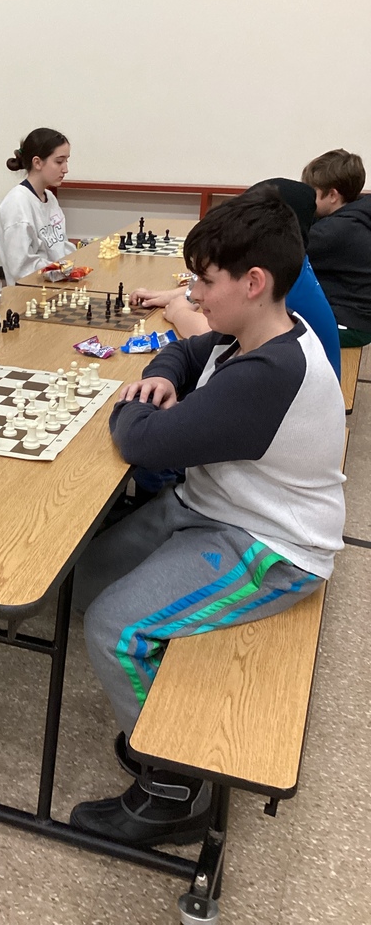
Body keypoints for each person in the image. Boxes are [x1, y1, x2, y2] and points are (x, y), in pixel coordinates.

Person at [70, 186, 345, 848]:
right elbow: (190, 354)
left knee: (113, 626)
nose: (192, 294)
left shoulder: (270, 372)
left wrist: (130, 404)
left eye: (204, 281)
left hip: (272, 546)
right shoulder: (260, 330)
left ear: (254, 282)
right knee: (79, 583)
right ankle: (166, 716)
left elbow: (138, 441)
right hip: (210, 508)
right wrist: (162, 376)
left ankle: (174, 791)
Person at [130, 179, 342, 379]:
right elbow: (232, 286)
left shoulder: (282, 293)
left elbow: (210, 333)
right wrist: (176, 295)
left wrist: (179, 313)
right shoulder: (290, 267)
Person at [301, 149, 371, 348]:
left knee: (276, 328)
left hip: (349, 323)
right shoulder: (358, 212)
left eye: (311, 193)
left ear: (332, 195)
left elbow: (287, 252)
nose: (308, 200)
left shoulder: (335, 231)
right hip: (357, 318)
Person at [0, 128, 75, 285]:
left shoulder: (49, 197)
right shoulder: (17, 204)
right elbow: (20, 266)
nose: (65, 169)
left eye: (67, 161)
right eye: (59, 162)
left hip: (57, 284)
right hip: (31, 293)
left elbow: (60, 246)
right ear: (37, 162)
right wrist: (61, 269)